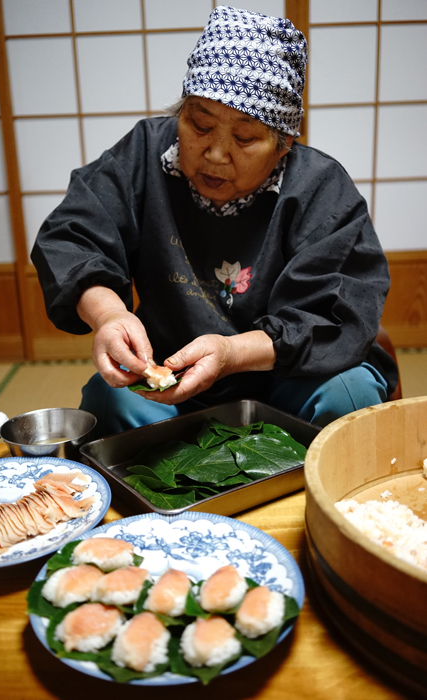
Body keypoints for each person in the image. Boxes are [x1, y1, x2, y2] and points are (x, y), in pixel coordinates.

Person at [31, 6, 398, 438]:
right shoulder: (144, 156)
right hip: (172, 373)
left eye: (244, 138)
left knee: (348, 397)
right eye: (199, 125)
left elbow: (339, 313)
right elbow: (72, 236)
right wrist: (109, 315)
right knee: (107, 400)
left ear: (283, 146)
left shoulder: (319, 189)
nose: (216, 154)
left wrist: (231, 352)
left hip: (290, 377)